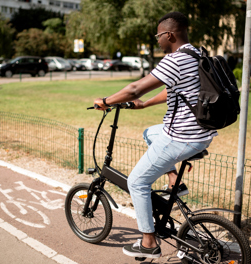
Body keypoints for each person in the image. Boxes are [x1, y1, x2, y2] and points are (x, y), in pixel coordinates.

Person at [93, 11, 218, 259]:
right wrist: (146, 104)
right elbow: (174, 91)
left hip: (182, 136)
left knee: (137, 182)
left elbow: (134, 88)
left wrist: (106, 101)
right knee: (149, 132)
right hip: (201, 132)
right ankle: (174, 181)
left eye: (158, 35)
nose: (157, 40)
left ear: (169, 34)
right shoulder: (196, 53)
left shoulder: (174, 60)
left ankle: (148, 243)